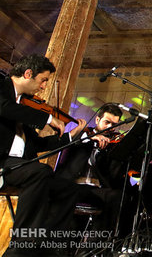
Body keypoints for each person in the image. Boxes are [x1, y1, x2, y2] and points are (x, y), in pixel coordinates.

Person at [0, 54, 87, 255]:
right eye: (43, 80)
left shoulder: (22, 104)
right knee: (40, 171)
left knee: (68, 189)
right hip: (3, 161)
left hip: (19, 165)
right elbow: (4, 108)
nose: (44, 86)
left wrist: (70, 137)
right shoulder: (2, 89)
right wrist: (48, 118)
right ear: (28, 74)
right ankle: (21, 247)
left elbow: (38, 144)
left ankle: (49, 246)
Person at [55, 103, 125, 232]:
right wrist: (90, 138)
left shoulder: (112, 144)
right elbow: (70, 141)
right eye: (107, 122)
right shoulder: (82, 134)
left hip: (95, 189)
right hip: (73, 186)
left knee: (116, 196)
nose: (110, 127)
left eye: (114, 125)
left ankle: (94, 245)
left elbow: (111, 176)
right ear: (98, 120)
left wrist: (106, 153)